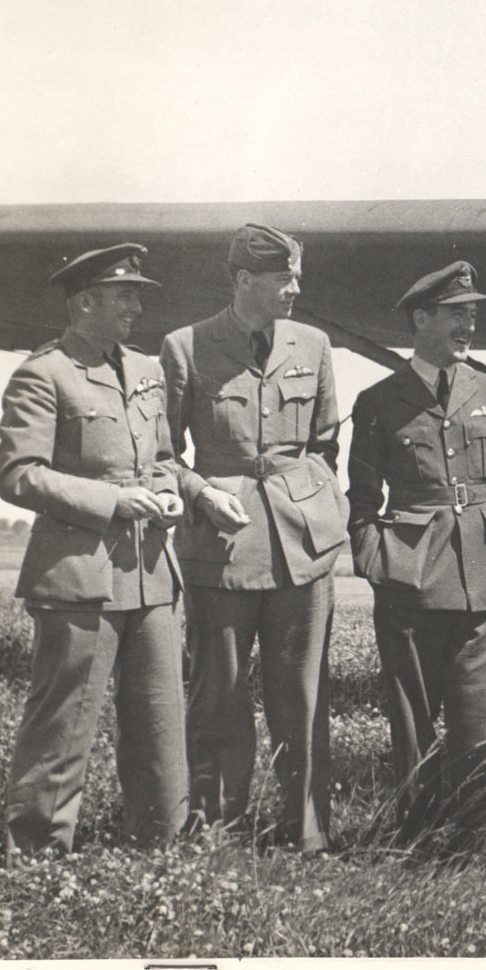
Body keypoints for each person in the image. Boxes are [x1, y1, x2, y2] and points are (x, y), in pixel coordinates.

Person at [160, 223, 348, 852]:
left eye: (297, 275)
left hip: (303, 546)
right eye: (283, 277)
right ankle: (217, 829)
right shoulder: (186, 347)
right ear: (244, 280)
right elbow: (163, 454)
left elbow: (324, 444)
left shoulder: (314, 344)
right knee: (218, 691)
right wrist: (201, 493)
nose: (295, 288)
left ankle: (307, 833)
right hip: (223, 544)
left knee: (302, 693)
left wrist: (316, 502)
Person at [0, 243, 187, 858]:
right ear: (85, 303)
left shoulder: (148, 369)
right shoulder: (42, 373)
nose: (136, 305)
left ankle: (160, 850)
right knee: (63, 722)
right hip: (77, 575)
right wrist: (113, 503)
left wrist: (167, 492)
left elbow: (161, 459)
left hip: (152, 574)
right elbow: (19, 473)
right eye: (124, 294)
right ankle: (38, 856)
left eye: (137, 294)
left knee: (161, 719)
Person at [346, 261, 486, 824]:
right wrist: (375, 559)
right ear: (421, 318)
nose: (469, 326)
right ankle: (420, 834)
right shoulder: (379, 401)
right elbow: (361, 498)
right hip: (410, 578)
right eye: (457, 315)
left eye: (473, 315)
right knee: (414, 719)